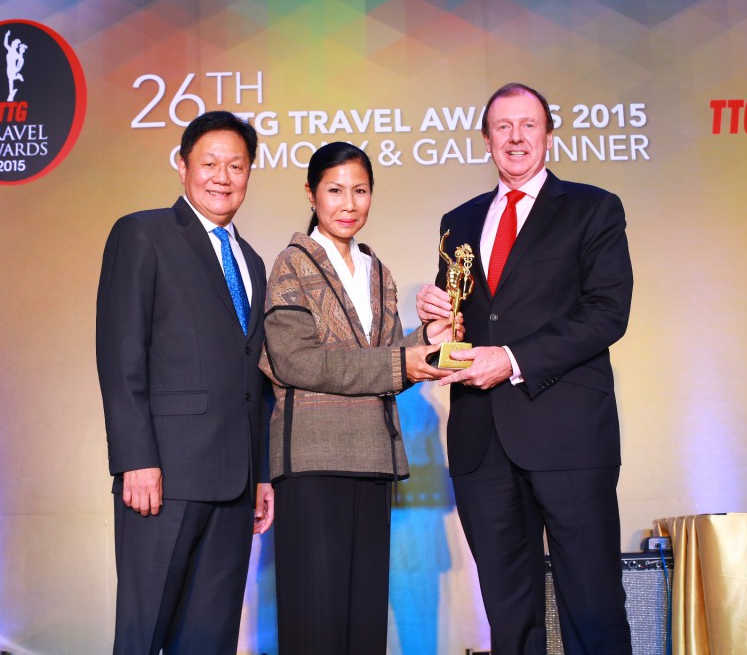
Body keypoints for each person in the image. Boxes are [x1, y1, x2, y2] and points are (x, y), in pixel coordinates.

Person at [417, 83, 634, 654]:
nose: (516, 137)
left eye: (528, 125)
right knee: (509, 615)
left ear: (548, 135)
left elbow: (608, 313)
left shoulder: (594, 208)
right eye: (503, 127)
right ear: (487, 139)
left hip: (567, 436)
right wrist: (435, 328)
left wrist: (511, 360)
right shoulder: (458, 221)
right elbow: (458, 329)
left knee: (592, 605)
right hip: (481, 441)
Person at [260, 142, 458, 655]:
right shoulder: (290, 265)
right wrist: (399, 362)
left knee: (363, 622)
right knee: (316, 621)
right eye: (335, 190)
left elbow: (391, 361)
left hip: (371, 456)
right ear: (311, 193)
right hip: (312, 459)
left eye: (361, 190)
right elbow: (296, 361)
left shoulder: (378, 271)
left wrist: (429, 340)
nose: (349, 203)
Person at [96, 110, 274, 655]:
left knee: (210, 638)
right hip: (164, 478)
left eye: (236, 166)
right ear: (182, 167)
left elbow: (255, 378)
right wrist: (135, 460)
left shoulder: (252, 260)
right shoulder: (142, 233)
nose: (222, 177)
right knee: (145, 632)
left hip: (235, 485)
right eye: (209, 163)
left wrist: (261, 473)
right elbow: (120, 353)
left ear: (249, 173)